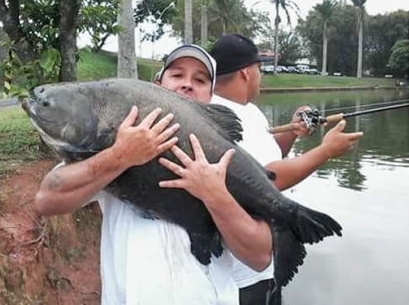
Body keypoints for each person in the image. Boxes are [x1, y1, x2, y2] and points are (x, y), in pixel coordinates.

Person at [33, 43, 273, 304]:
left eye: (200, 79)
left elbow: (260, 257)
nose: (187, 84)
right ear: (156, 85)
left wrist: (216, 196)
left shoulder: (227, 160)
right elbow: (47, 200)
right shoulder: (119, 141)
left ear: (210, 97)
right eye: (177, 74)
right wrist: (120, 156)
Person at [207, 33, 364, 305]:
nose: (261, 75)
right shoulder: (221, 115)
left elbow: (268, 157)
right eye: (260, 68)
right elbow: (264, 182)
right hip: (242, 277)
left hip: (262, 264)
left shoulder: (249, 111)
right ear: (246, 72)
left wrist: (293, 131)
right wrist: (325, 151)